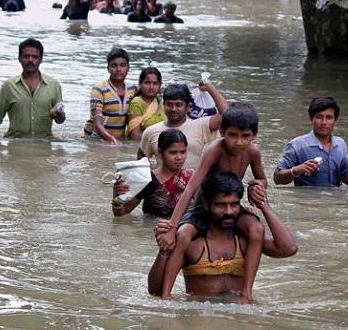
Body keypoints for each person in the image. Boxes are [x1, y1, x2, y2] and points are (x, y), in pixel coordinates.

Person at [156, 103, 291, 302]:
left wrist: (258, 186)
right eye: (232, 135)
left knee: (256, 230)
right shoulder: (214, 150)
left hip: (231, 204)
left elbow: (262, 178)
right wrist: (172, 225)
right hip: (203, 206)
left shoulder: (253, 152)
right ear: (222, 132)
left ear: (254, 135)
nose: (238, 142)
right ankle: (166, 295)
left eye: (245, 136)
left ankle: (246, 293)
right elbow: (192, 187)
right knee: (183, 235)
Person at [148, 170, 297, 301]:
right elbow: (155, 291)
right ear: (206, 205)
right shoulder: (192, 243)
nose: (229, 212)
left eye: (234, 204)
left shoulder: (248, 240)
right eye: (221, 205)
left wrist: (264, 205)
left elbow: (288, 248)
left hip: (238, 314)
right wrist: (164, 250)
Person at [0, 38, 65, 138]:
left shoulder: (54, 85)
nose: (30, 60)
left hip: (44, 144)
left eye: (35, 57)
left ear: (41, 59)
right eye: (26, 56)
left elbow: (61, 120)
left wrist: (58, 114)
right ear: (19, 59)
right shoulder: (9, 86)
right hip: (15, 143)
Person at [273, 97, 348, 187]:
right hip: (308, 200)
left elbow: (346, 177)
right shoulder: (297, 145)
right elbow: (277, 178)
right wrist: (296, 170)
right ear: (311, 119)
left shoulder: (340, 144)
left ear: (335, 120)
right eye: (319, 117)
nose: (324, 122)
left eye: (329, 118)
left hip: (336, 200)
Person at [138, 83, 227, 170]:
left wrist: (210, 88)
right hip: (163, 184)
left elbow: (227, 115)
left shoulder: (201, 126)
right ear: (163, 105)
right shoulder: (151, 131)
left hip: (193, 183)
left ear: (187, 106)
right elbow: (141, 159)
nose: (173, 109)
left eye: (178, 105)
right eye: (169, 104)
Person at [113, 129, 193, 218]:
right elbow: (122, 212)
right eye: (173, 152)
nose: (179, 157)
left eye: (183, 152)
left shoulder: (192, 177)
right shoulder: (147, 179)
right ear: (160, 152)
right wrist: (117, 196)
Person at [84, 47, 138, 144]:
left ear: (128, 68)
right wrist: (111, 139)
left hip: (118, 140)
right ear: (108, 68)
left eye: (122, 65)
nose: (118, 69)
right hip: (95, 140)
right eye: (114, 66)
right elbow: (97, 122)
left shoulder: (133, 90)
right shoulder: (98, 89)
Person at [127, 67, 165, 140]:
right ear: (140, 84)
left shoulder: (161, 102)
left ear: (160, 85)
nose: (151, 87)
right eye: (147, 83)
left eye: (155, 83)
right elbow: (134, 135)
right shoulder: (136, 103)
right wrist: (161, 140)